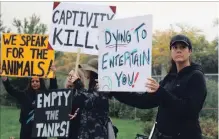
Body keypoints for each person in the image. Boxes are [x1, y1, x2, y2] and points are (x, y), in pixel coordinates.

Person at [110, 34, 207, 139]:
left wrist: (160, 91)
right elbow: (143, 100)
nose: (178, 50)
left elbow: (190, 110)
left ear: (190, 51)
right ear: (171, 52)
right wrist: (114, 90)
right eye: (175, 47)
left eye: (183, 47)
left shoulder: (196, 76)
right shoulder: (169, 78)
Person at [62, 57, 117, 139]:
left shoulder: (101, 86)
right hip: (87, 132)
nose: (86, 72)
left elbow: (90, 100)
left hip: (96, 133)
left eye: (88, 70)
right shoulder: (92, 87)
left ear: (92, 72)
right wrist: (77, 113)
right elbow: (87, 105)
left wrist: (78, 83)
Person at [0, 65, 58, 139]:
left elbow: (54, 89)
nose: (34, 83)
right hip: (26, 131)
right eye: (32, 81)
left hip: (40, 131)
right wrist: (4, 78)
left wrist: (53, 74)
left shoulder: (46, 95)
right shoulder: (24, 95)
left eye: (37, 81)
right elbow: (11, 90)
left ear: (41, 82)